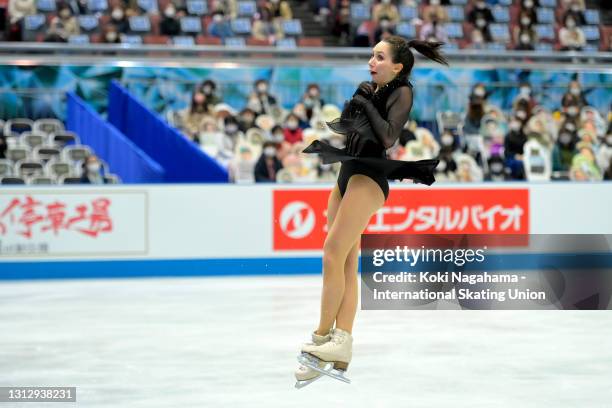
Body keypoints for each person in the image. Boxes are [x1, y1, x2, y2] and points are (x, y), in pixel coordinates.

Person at [296, 36, 446, 384]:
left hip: (370, 177)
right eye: (371, 55)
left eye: (379, 57)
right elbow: (350, 130)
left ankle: (320, 339)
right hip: (347, 173)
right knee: (345, 261)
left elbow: (388, 137)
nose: (371, 61)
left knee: (332, 253)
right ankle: (340, 344)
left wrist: (367, 102)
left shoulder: (402, 91)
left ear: (398, 66)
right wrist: (357, 103)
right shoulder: (374, 89)